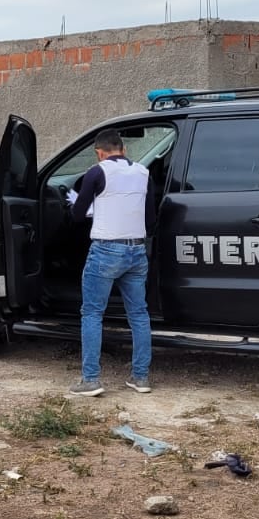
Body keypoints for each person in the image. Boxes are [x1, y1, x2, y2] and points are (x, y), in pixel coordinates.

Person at [66, 129, 158, 397]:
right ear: (124, 149)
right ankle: (140, 378)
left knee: (93, 313)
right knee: (139, 315)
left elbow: (76, 214)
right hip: (136, 251)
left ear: (99, 152)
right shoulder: (143, 172)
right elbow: (150, 218)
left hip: (106, 250)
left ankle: (91, 379)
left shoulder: (96, 172)